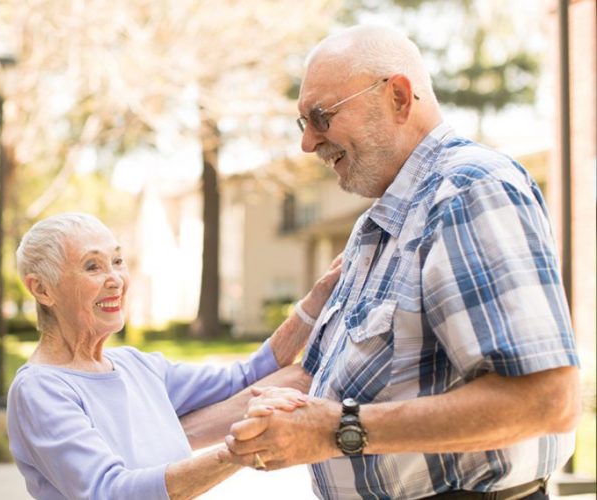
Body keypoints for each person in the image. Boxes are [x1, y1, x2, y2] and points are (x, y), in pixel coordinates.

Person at [219, 24, 581, 500]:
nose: (308, 144)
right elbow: (313, 377)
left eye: (321, 116)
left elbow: (545, 401)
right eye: (302, 124)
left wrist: (337, 430)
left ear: (399, 97)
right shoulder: (385, 218)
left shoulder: (467, 190)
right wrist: (163, 441)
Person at [6, 212, 341, 500]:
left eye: (118, 261)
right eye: (92, 266)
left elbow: (244, 376)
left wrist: (317, 299)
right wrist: (239, 452)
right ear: (41, 289)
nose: (115, 280)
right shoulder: (41, 389)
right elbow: (110, 492)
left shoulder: (137, 366)